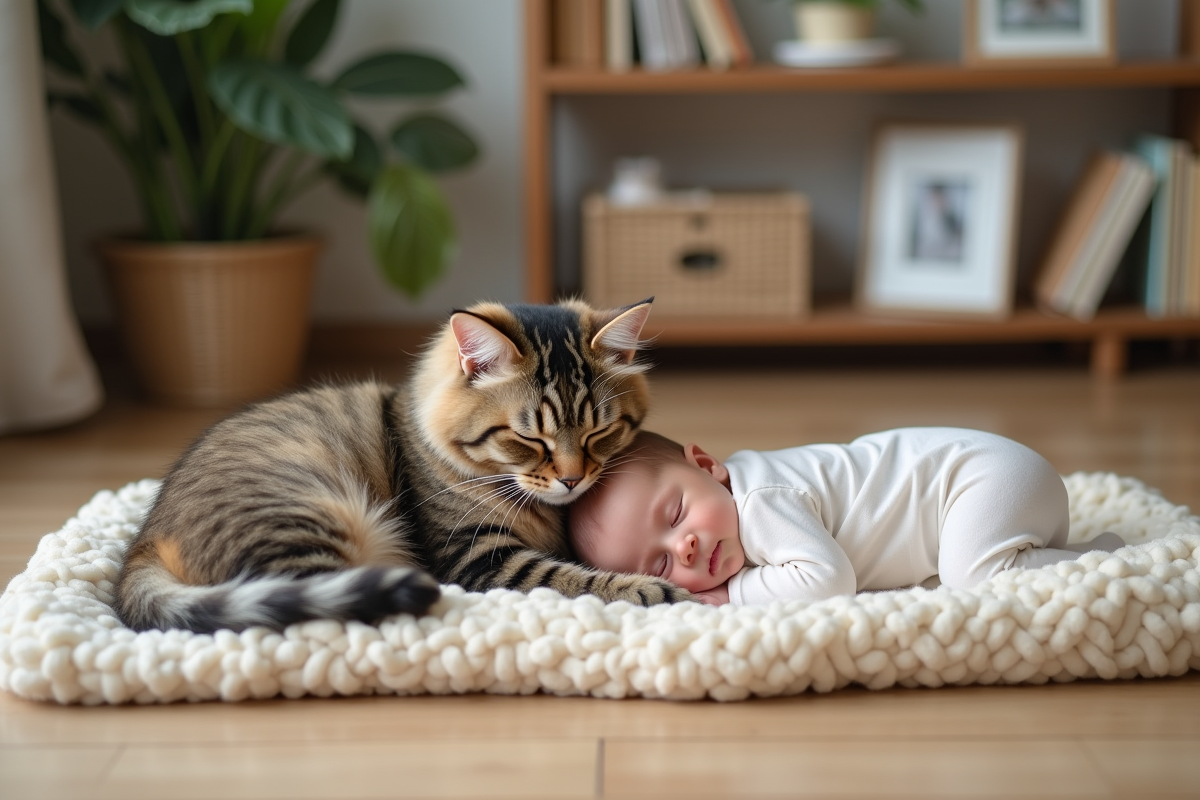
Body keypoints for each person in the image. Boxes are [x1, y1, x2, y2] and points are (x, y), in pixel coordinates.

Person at [568, 429, 1125, 606]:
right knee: (964, 569)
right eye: (661, 563)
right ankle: (1047, 552)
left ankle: (1098, 558)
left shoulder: (759, 503)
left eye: (676, 513)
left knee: (973, 580)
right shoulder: (734, 507)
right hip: (1013, 495)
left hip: (985, 480)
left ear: (709, 467)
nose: (685, 547)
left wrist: (730, 598)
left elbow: (829, 582)